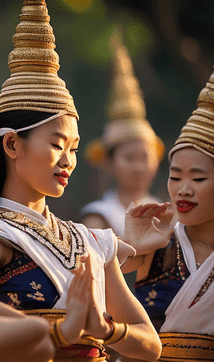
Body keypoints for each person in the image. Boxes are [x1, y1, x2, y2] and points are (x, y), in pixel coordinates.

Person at [0, 1, 161, 362]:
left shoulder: (90, 239)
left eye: (74, 148)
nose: (68, 160)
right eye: (57, 144)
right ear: (12, 145)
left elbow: (150, 342)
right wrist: (63, 327)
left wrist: (104, 330)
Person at [115, 30, 214, 362]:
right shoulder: (157, 241)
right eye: (175, 176)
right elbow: (102, 282)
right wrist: (132, 241)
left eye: (198, 178)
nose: (183, 189)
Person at [81, 32, 164, 238]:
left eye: (145, 157)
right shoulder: (98, 218)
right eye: (129, 157)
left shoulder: (169, 215)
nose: (139, 167)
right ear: (108, 162)